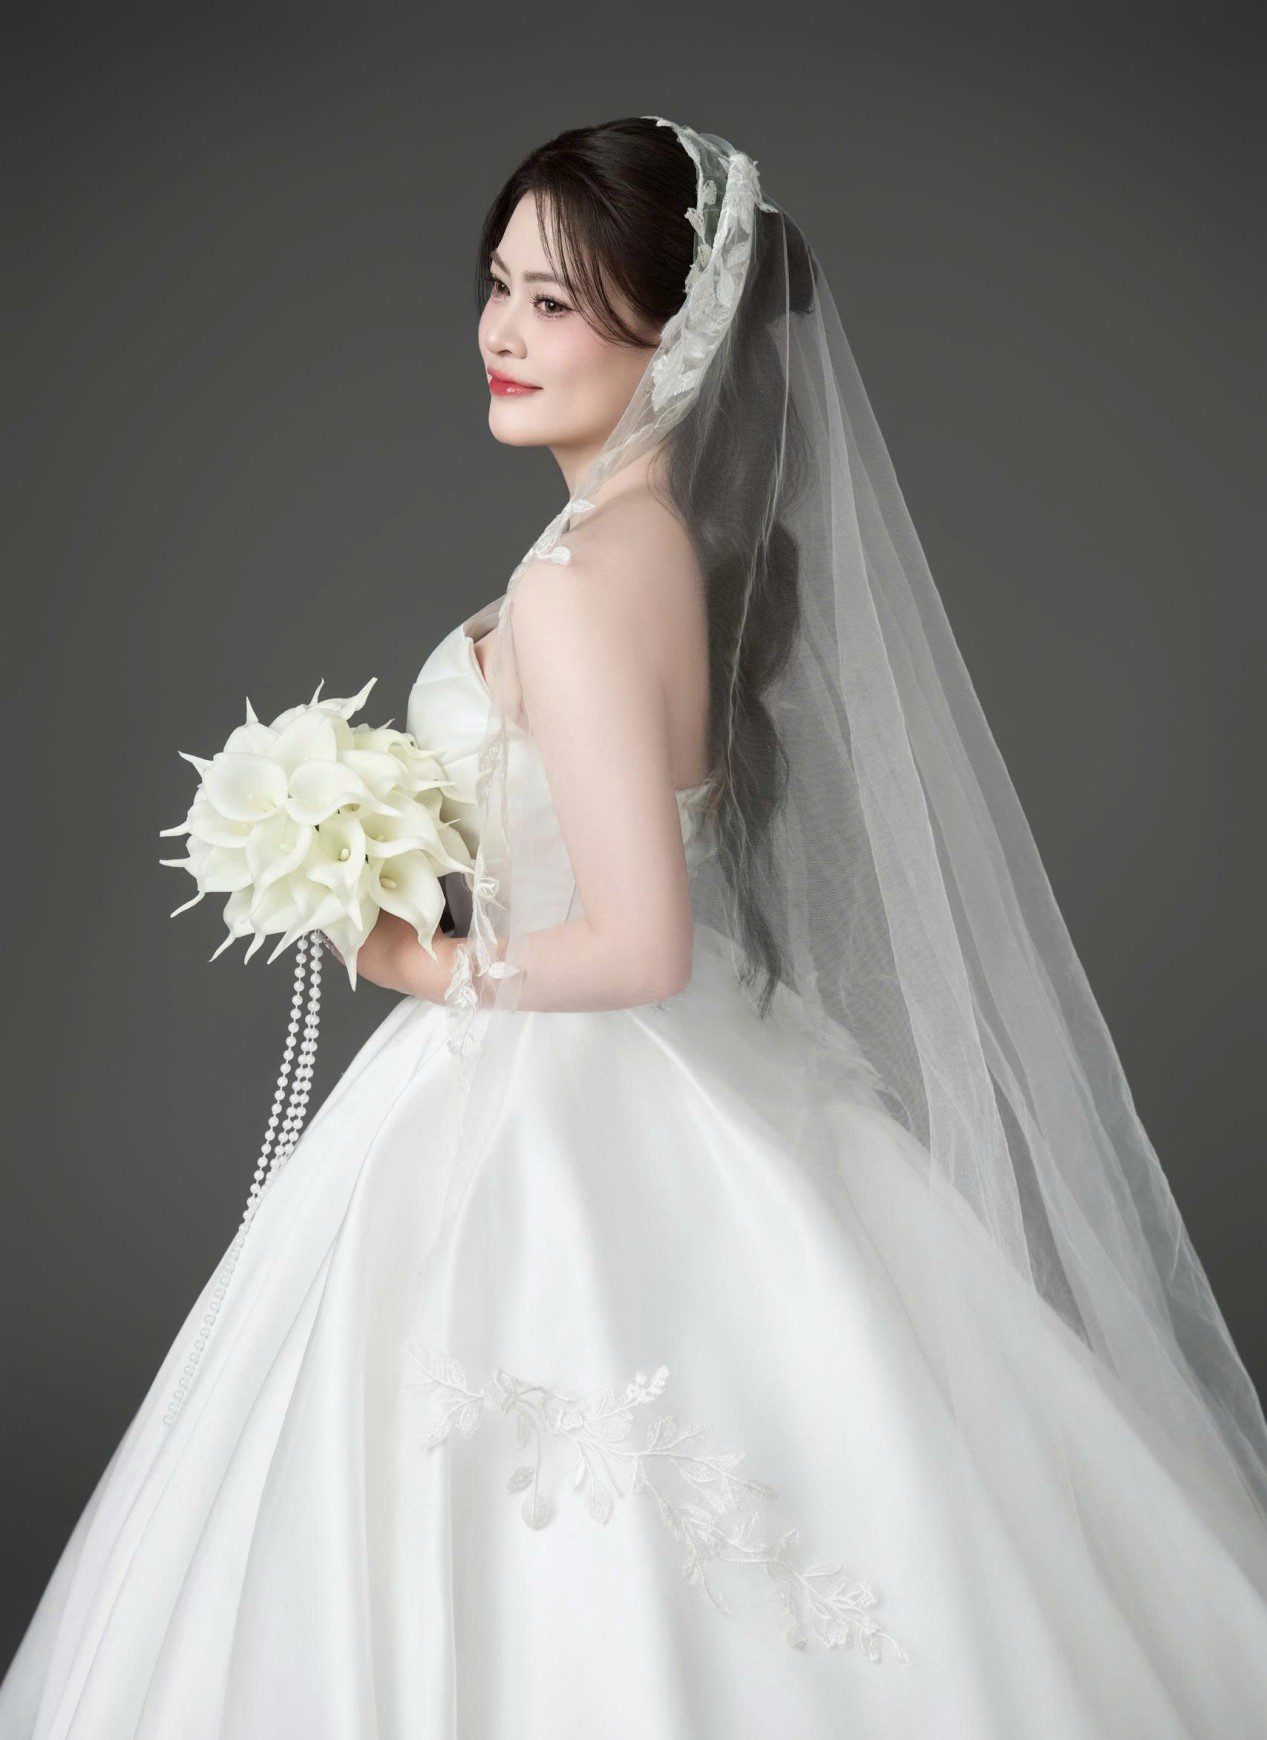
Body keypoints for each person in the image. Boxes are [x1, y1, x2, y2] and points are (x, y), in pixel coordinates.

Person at [3, 113, 1265, 1739]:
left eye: (558, 303)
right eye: (499, 286)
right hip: (679, 1068)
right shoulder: (657, 547)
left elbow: (637, 944)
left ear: (674, 337)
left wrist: (412, 956)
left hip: (561, 1094)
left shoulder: (582, 578)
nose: (504, 332)